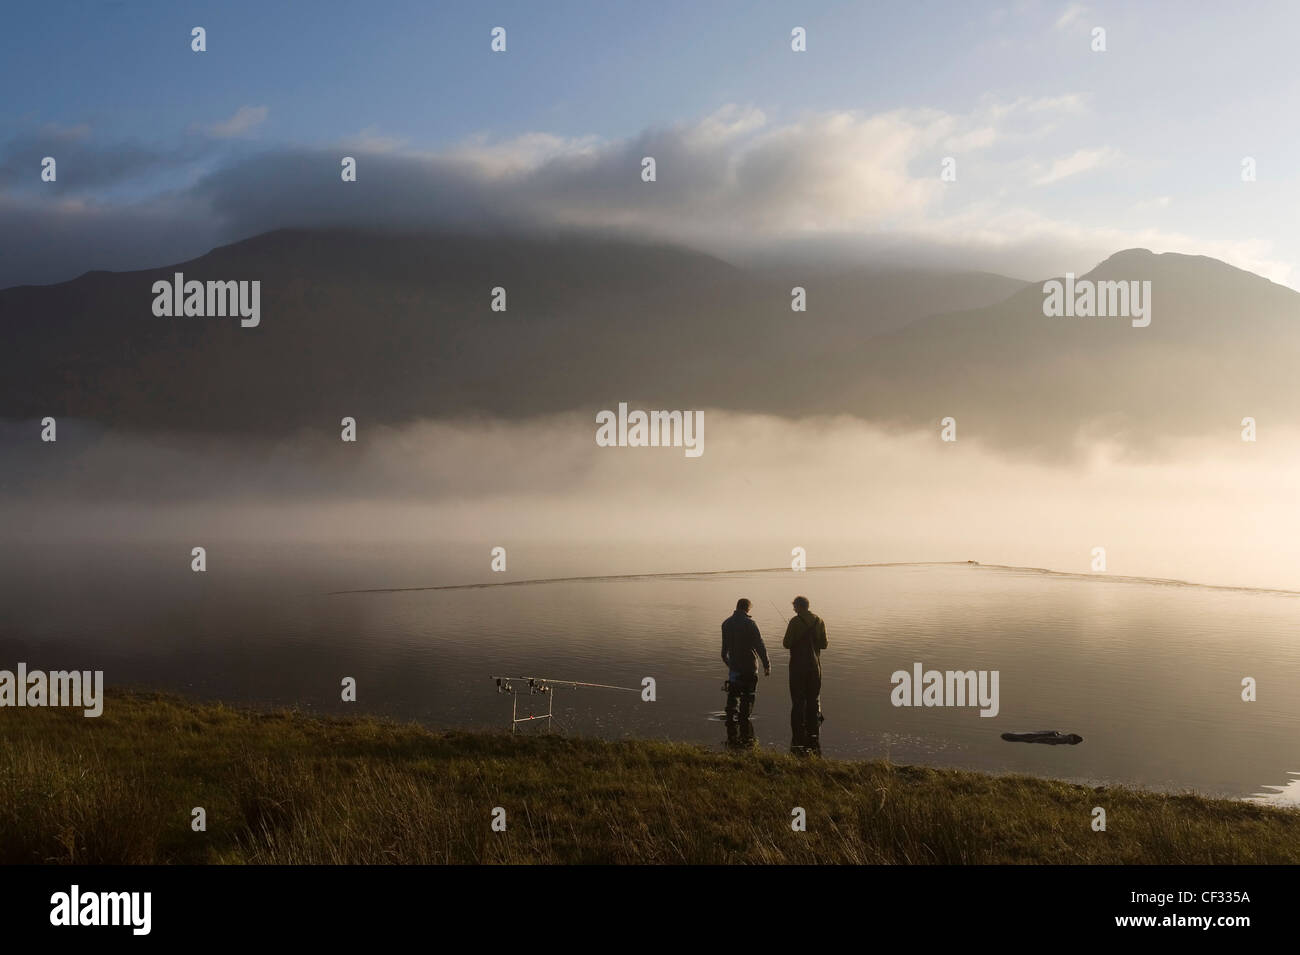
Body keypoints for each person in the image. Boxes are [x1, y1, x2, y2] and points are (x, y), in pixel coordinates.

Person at [782, 595, 827, 750]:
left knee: (798, 700)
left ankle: (797, 736)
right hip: (815, 667)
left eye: (794, 606)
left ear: (799, 606)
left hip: (797, 667)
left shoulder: (795, 621)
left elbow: (786, 644)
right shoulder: (819, 621)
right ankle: (814, 735)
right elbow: (824, 644)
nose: (794, 609)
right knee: (813, 699)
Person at [721, 598, 771, 725]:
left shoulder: (726, 623)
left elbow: (723, 652)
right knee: (748, 695)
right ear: (747, 608)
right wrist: (766, 664)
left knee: (732, 695)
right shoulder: (750, 624)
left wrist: (730, 664)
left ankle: (730, 721)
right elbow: (760, 645)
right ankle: (744, 723)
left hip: (734, 668)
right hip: (749, 666)